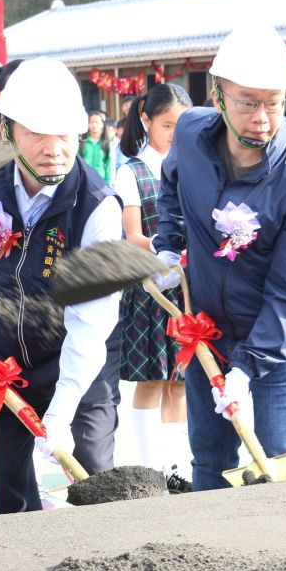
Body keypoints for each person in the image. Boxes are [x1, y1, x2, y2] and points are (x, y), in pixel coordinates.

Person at [0, 57, 124, 516]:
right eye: (37, 133)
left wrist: (62, 408)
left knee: (94, 478)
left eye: (65, 134)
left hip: (75, 355)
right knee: (2, 488)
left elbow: (91, 320)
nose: (54, 148)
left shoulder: (97, 208)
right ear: (7, 132)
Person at [151, 23, 286, 491]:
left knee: (281, 460)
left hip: (279, 334)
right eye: (246, 101)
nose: (261, 117)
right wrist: (169, 243)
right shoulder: (189, 134)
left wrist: (249, 366)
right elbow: (170, 184)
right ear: (218, 97)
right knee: (209, 457)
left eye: (272, 102)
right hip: (205, 323)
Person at [113, 83, 193, 489]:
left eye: (182, 126)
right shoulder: (131, 171)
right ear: (145, 121)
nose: (174, 134)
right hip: (149, 287)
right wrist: (175, 249)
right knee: (150, 380)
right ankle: (153, 467)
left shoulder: (193, 166)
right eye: (167, 125)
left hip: (185, 288)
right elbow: (133, 235)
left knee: (178, 382)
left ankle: (178, 465)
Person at [80, 110, 112, 183]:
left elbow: (109, 166)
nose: (94, 125)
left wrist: (109, 183)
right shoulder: (82, 142)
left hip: (101, 181)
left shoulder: (107, 143)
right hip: (84, 180)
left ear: (102, 124)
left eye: (96, 122)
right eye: (91, 122)